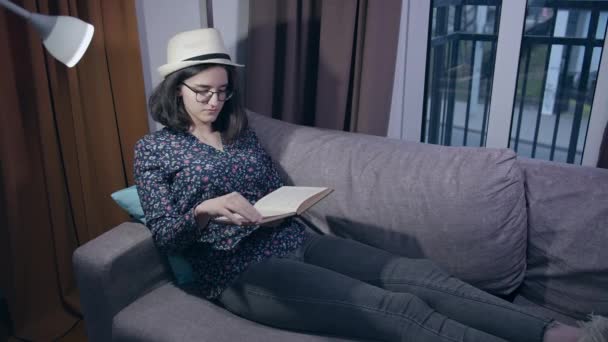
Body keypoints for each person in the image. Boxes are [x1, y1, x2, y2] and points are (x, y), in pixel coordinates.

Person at [134, 28, 607, 342]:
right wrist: (203, 210)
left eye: (223, 90)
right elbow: (167, 234)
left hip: (293, 238)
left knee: (422, 275)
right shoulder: (154, 151)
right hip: (238, 271)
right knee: (395, 307)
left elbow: (264, 188)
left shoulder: (240, 129)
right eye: (203, 92)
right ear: (177, 88)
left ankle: (553, 331)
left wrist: (288, 201)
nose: (215, 101)